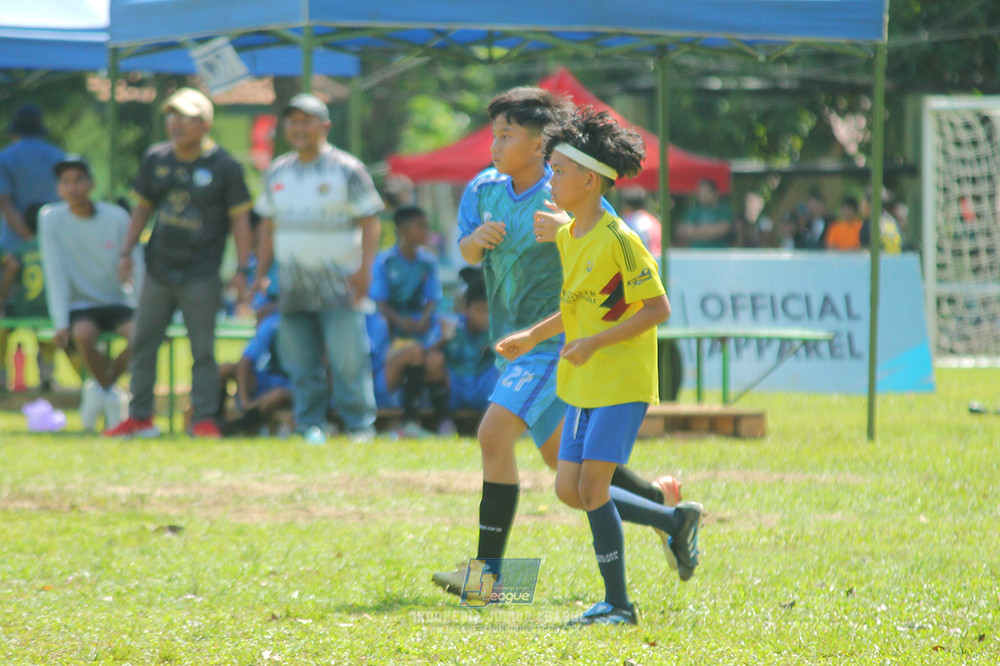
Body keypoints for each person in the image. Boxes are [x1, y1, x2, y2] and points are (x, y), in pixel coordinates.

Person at [432, 87, 681, 597]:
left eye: (507, 135)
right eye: (493, 134)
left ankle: (487, 577)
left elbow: (595, 234)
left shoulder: (566, 182)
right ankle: (667, 509)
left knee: (493, 435)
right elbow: (466, 255)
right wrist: (472, 243)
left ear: (541, 143)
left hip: (556, 340)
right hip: (519, 341)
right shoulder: (482, 188)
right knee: (564, 470)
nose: (495, 145)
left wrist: (564, 226)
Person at [495, 108, 703, 626]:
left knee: (591, 490)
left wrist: (597, 342)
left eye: (560, 171)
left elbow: (658, 310)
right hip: (585, 379)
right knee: (570, 489)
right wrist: (532, 336)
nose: (551, 179)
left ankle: (618, 604)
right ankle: (672, 519)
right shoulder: (572, 236)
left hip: (621, 379)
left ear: (589, 181)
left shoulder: (621, 241)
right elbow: (576, 305)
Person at [105, 87, 253, 438]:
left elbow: (241, 221)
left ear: (205, 124)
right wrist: (126, 252)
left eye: (186, 117)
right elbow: (143, 208)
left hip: (201, 272)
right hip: (158, 268)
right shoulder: (156, 159)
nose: (176, 123)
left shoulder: (225, 166)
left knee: (202, 348)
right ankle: (140, 417)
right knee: (143, 342)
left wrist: (242, 269)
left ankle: (203, 419)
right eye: (172, 116)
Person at [251, 93, 384, 445]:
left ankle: (359, 426)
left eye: (306, 120)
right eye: (293, 121)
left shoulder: (347, 169)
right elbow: (267, 227)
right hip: (292, 285)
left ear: (324, 126)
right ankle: (309, 424)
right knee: (300, 362)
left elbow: (371, 222)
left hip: (339, 284)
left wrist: (365, 269)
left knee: (347, 360)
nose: (298, 127)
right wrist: (260, 273)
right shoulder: (277, 170)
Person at [38, 155, 141, 431]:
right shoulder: (50, 219)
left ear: (91, 184)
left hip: (117, 300)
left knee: (139, 337)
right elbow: (54, 270)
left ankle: (102, 389)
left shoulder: (116, 217)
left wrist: (141, 305)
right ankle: (110, 393)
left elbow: (136, 263)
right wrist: (60, 321)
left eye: (78, 180)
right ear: (59, 188)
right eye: (66, 182)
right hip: (80, 304)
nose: (73, 188)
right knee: (83, 334)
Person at [0, 104, 64, 391]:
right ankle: (47, 373)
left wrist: (26, 238)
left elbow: (5, 203)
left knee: (5, 313)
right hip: (52, 247)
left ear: (15, 132)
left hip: (11, 249)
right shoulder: (58, 156)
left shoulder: (6, 157)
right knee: (46, 311)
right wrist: (41, 240)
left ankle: (2, 375)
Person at [369, 204, 442, 438]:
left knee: (436, 359)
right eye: (421, 226)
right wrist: (400, 320)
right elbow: (380, 302)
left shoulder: (428, 262)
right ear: (404, 230)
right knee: (414, 353)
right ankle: (408, 421)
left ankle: (441, 422)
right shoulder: (385, 261)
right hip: (390, 331)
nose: (426, 231)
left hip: (421, 328)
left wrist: (424, 318)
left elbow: (433, 298)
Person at [424, 266, 499, 435]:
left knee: (507, 368)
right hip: (455, 386)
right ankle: (443, 422)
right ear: (466, 308)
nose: (485, 317)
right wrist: (443, 339)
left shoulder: (498, 328)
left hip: (483, 387)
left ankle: (490, 428)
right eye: (480, 310)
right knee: (434, 359)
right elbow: (424, 355)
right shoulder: (451, 324)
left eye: (489, 311)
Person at [0, 204, 58, 391]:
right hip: (48, 310)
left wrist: (3, 296)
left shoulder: (21, 251)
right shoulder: (56, 252)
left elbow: (13, 267)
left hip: (21, 308)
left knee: (3, 327)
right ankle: (47, 373)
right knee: (47, 330)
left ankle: (2, 374)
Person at [217, 310, 293, 437]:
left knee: (279, 395)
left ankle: (237, 427)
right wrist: (245, 401)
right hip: (268, 379)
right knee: (225, 368)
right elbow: (245, 360)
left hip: (292, 386)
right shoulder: (273, 322)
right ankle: (214, 419)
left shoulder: (313, 323)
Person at [675, 178, 733, 248]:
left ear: (715, 192)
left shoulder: (724, 210)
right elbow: (685, 230)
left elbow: (724, 229)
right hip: (697, 254)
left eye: (707, 191)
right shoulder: (694, 210)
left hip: (719, 254)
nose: (704, 195)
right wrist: (711, 230)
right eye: (701, 192)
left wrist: (698, 231)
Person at [619, 186, 661, 256]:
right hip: (656, 262)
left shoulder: (628, 221)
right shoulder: (654, 221)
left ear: (627, 206)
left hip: (642, 262)